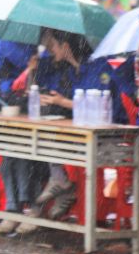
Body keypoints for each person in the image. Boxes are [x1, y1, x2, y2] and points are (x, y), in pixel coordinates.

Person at [9, 28, 91, 233]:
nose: (48, 49)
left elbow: (95, 105)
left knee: (37, 153)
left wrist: (62, 102)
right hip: (59, 126)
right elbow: (32, 93)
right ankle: (23, 208)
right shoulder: (56, 66)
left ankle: (41, 206)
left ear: (65, 46)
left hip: (86, 131)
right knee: (20, 151)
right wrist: (32, 71)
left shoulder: (91, 68)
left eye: (51, 44)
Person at [0, 37, 42, 234]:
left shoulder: (40, 42)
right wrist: (28, 72)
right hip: (14, 107)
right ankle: (13, 207)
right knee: (8, 158)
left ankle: (34, 208)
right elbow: (7, 87)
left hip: (44, 112)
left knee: (32, 156)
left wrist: (37, 69)